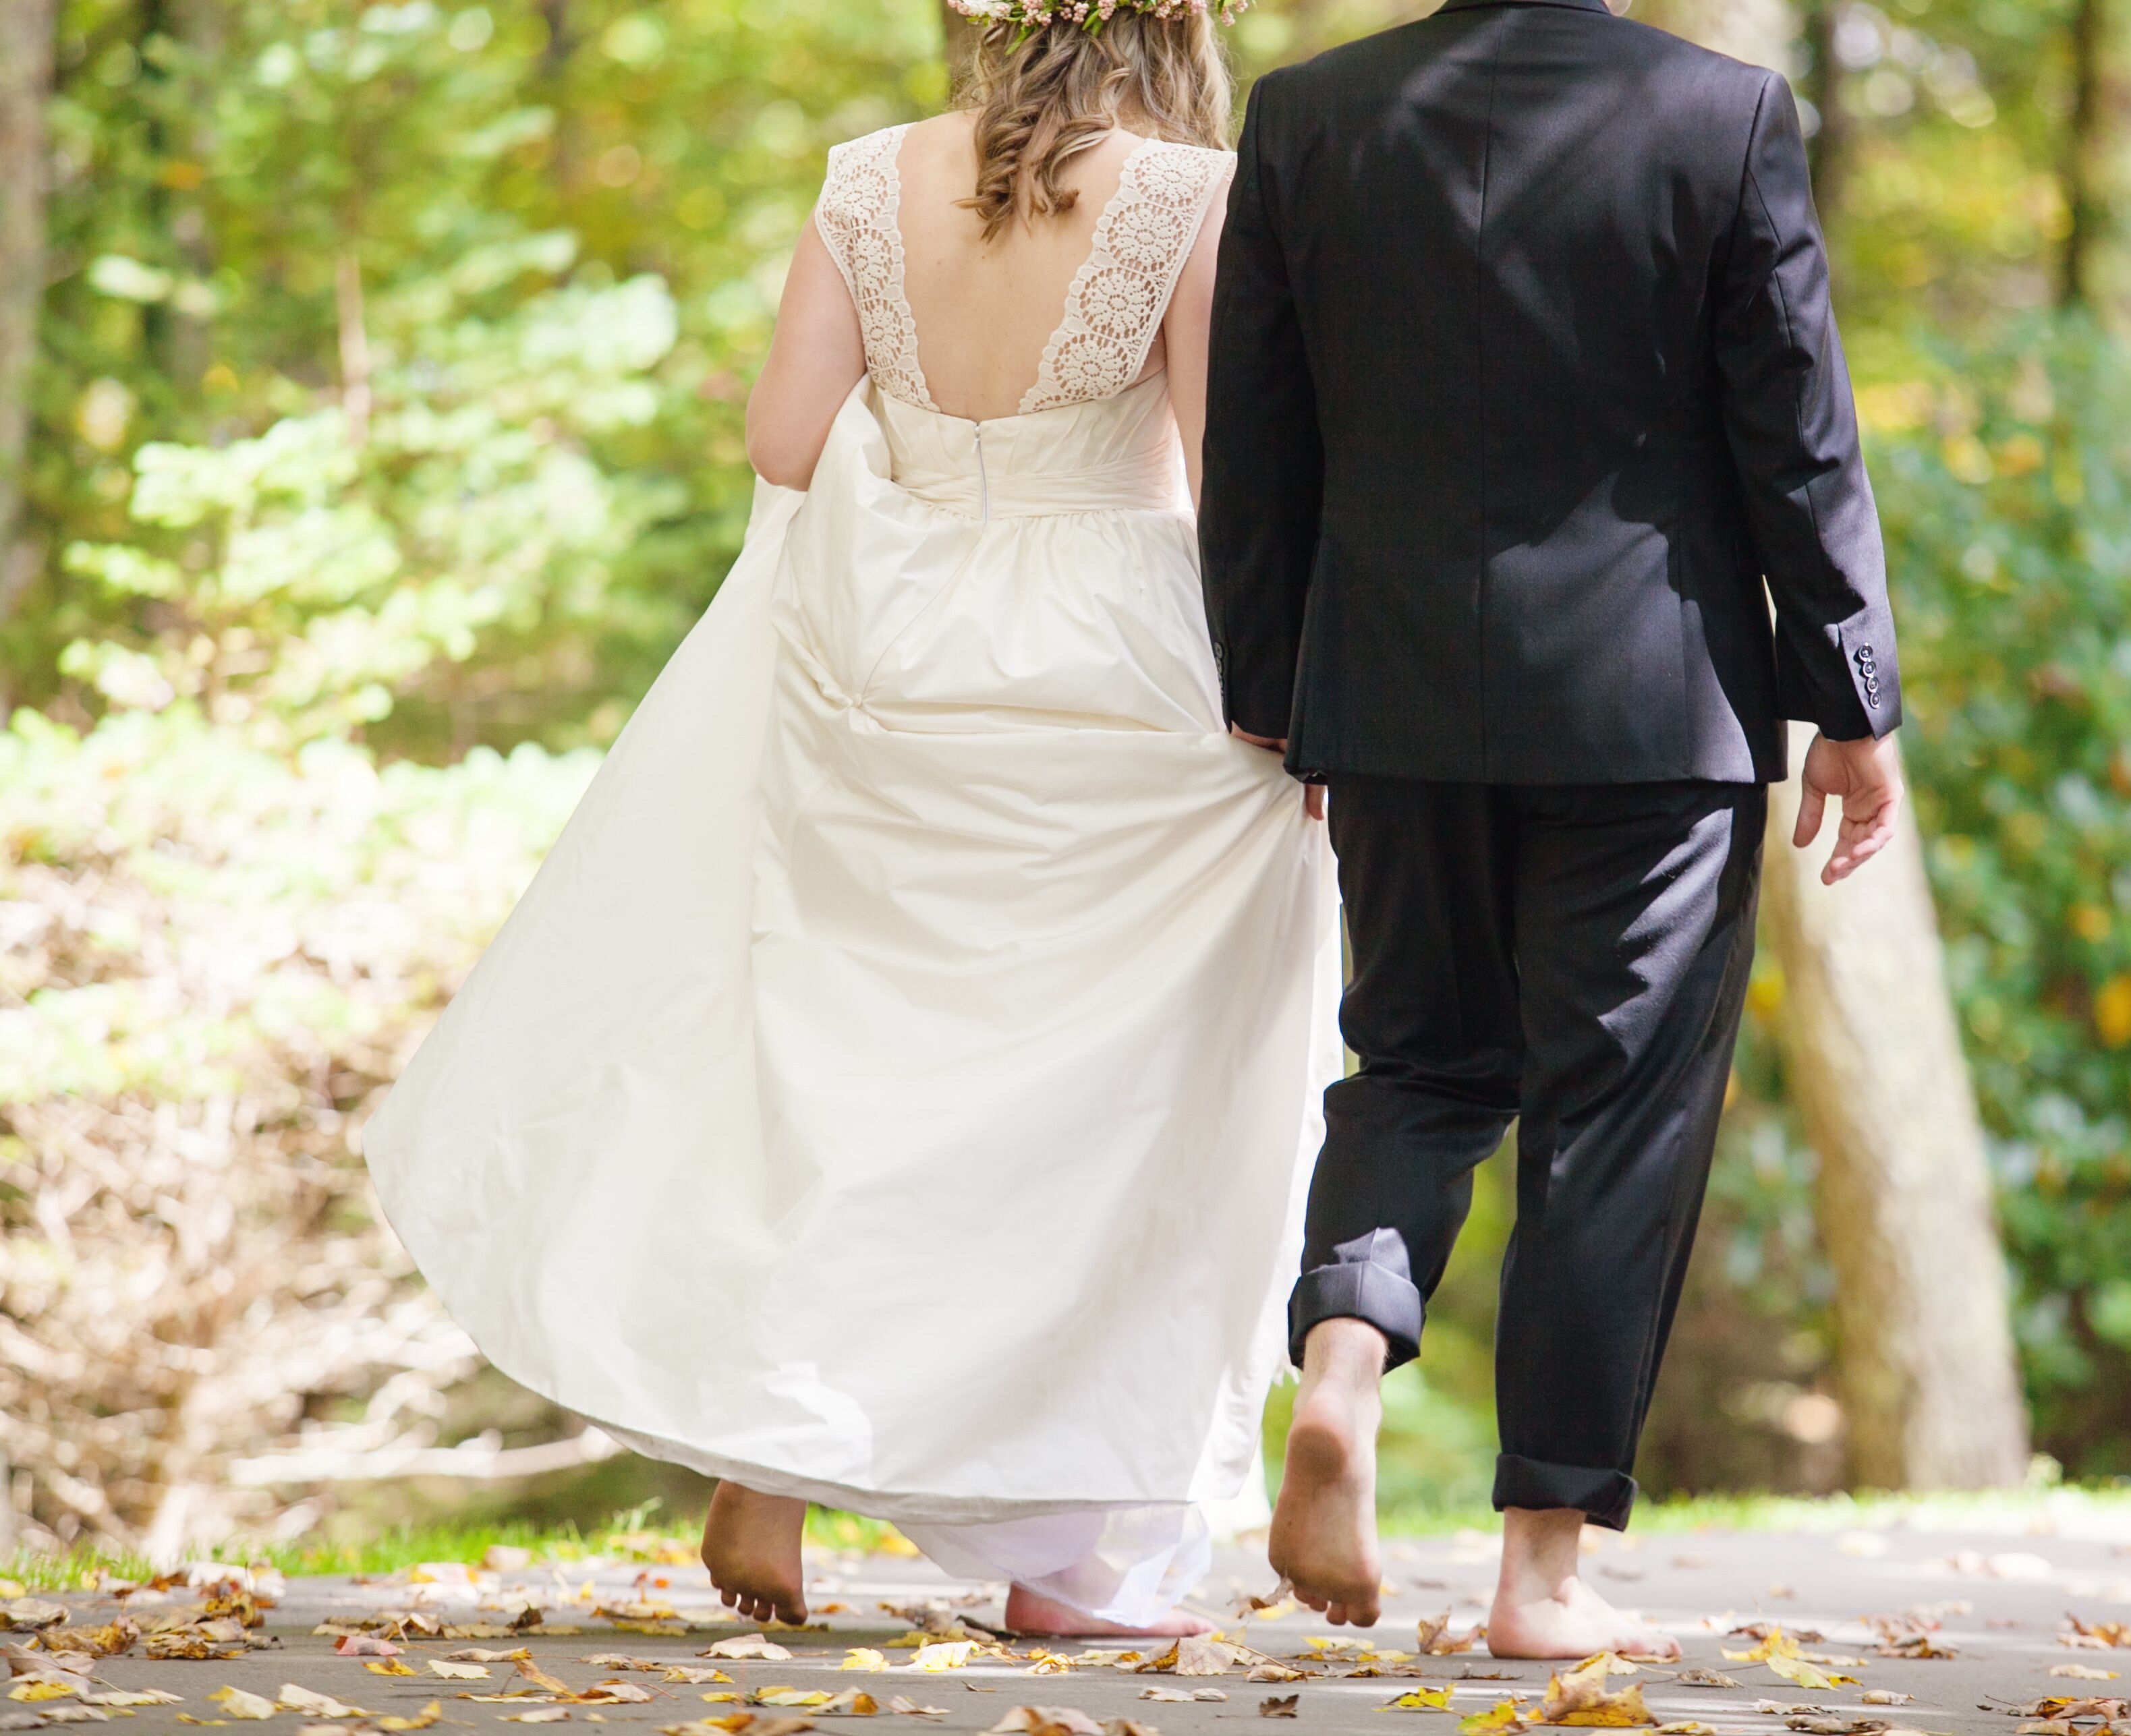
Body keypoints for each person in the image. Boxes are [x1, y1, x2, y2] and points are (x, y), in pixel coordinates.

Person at [363, 0, 1340, 1642]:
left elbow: (783, 444)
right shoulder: (1189, 192)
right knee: (1105, 1099)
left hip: (884, 655)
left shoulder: (865, 177)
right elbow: (1219, 474)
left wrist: (941, 490)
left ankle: (776, 1454)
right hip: (1109, 660)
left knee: (859, 1067)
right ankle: (1058, 1565)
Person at [1200, 0, 1905, 1662]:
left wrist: (1274, 685)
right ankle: (1538, 1578)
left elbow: (1259, 429)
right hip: (1652, 710)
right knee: (1614, 1121)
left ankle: (1345, 1363)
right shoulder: (1720, 115)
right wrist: (1852, 698)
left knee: (1422, 1065)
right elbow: (1791, 427)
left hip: (1391, 691)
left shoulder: (1308, 118)